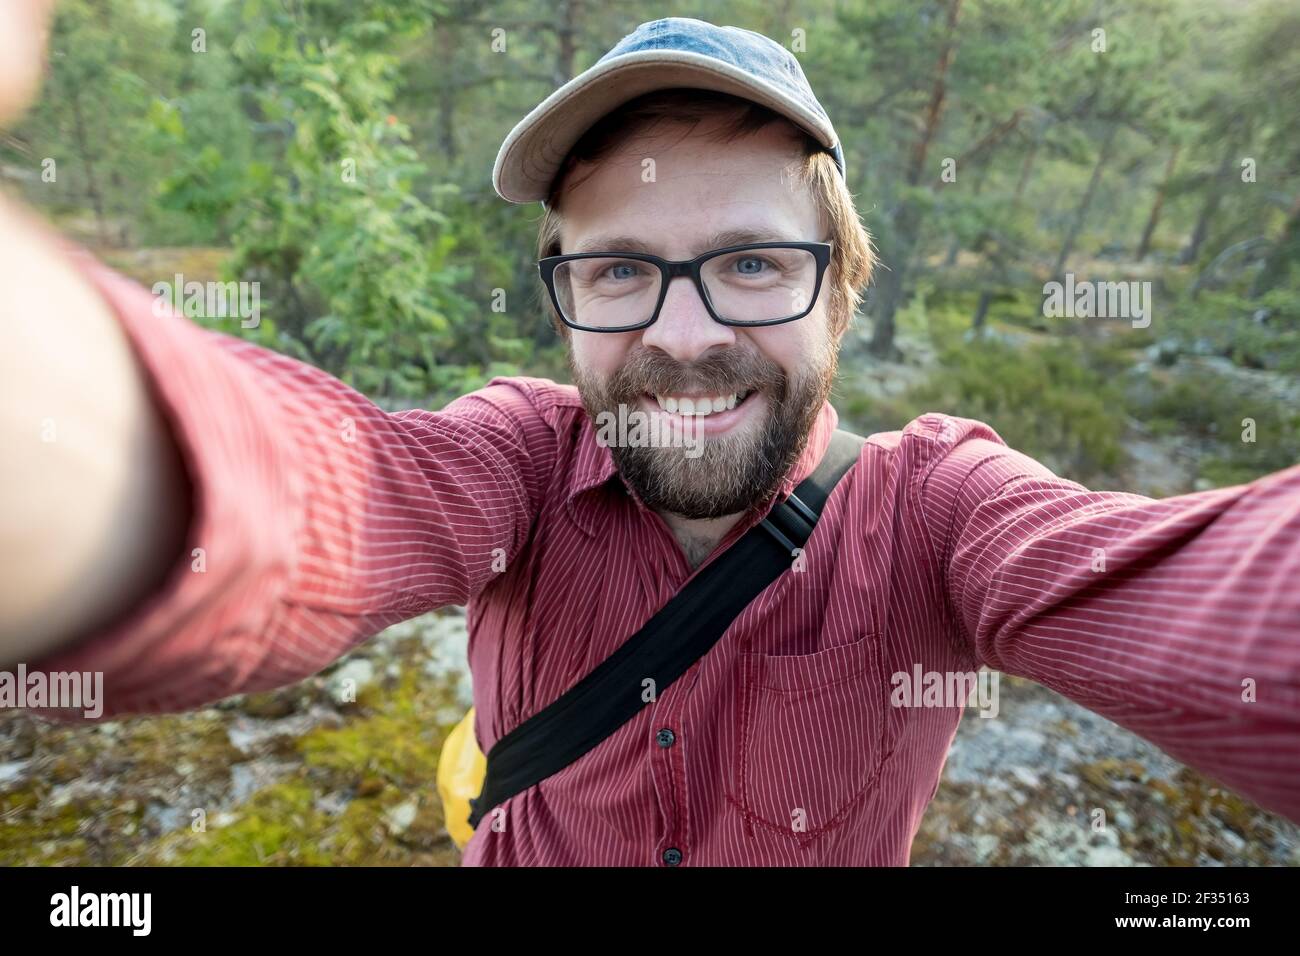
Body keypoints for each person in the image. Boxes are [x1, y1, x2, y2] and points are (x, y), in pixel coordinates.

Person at [1, 11, 1297, 867]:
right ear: (565, 298)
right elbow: (319, 498)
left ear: (841, 291)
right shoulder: (513, 461)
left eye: (748, 262)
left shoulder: (940, 514)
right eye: (619, 272)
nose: (681, 335)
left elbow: (1205, 590)